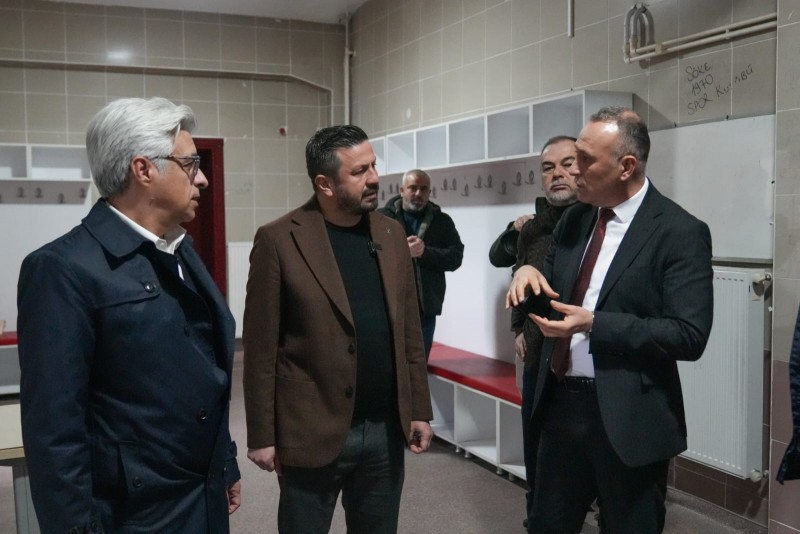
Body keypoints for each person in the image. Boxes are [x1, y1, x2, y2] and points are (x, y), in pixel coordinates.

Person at [16, 97, 241, 533]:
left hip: (198, 493)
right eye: (190, 164)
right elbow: (54, 429)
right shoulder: (63, 268)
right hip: (133, 513)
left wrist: (223, 462)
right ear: (143, 170)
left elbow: (201, 374)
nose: (203, 179)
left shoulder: (179, 249)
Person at [507, 107, 714, 533]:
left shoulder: (679, 231)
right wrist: (525, 274)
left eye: (585, 160)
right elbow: (554, 298)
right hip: (561, 408)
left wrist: (595, 324)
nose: (573, 171)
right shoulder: (576, 219)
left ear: (626, 167)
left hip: (629, 418)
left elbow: (688, 335)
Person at [243, 125, 433, 533]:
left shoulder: (391, 234)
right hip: (311, 428)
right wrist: (261, 434)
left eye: (374, 165)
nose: (374, 178)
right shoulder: (279, 240)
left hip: (383, 429)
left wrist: (419, 408)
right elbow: (260, 349)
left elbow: (409, 334)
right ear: (325, 184)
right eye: (359, 171)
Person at [510, 136, 580, 529]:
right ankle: (536, 518)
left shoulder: (597, 224)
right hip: (538, 357)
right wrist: (517, 328)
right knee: (537, 453)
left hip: (583, 360)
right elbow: (518, 276)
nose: (558, 175)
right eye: (549, 168)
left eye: (568, 164)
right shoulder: (532, 230)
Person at [378, 169, 464, 358]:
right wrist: (401, 252)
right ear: (402, 190)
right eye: (413, 188)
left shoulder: (442, 221)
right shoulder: (381, 219)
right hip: (388, 307)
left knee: (419, 363)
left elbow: (456, 257)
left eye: (424, 189)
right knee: (389, 362)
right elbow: (369, 254)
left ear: (429, 192)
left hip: (425, 311)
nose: (418, 193)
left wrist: (425, 253)